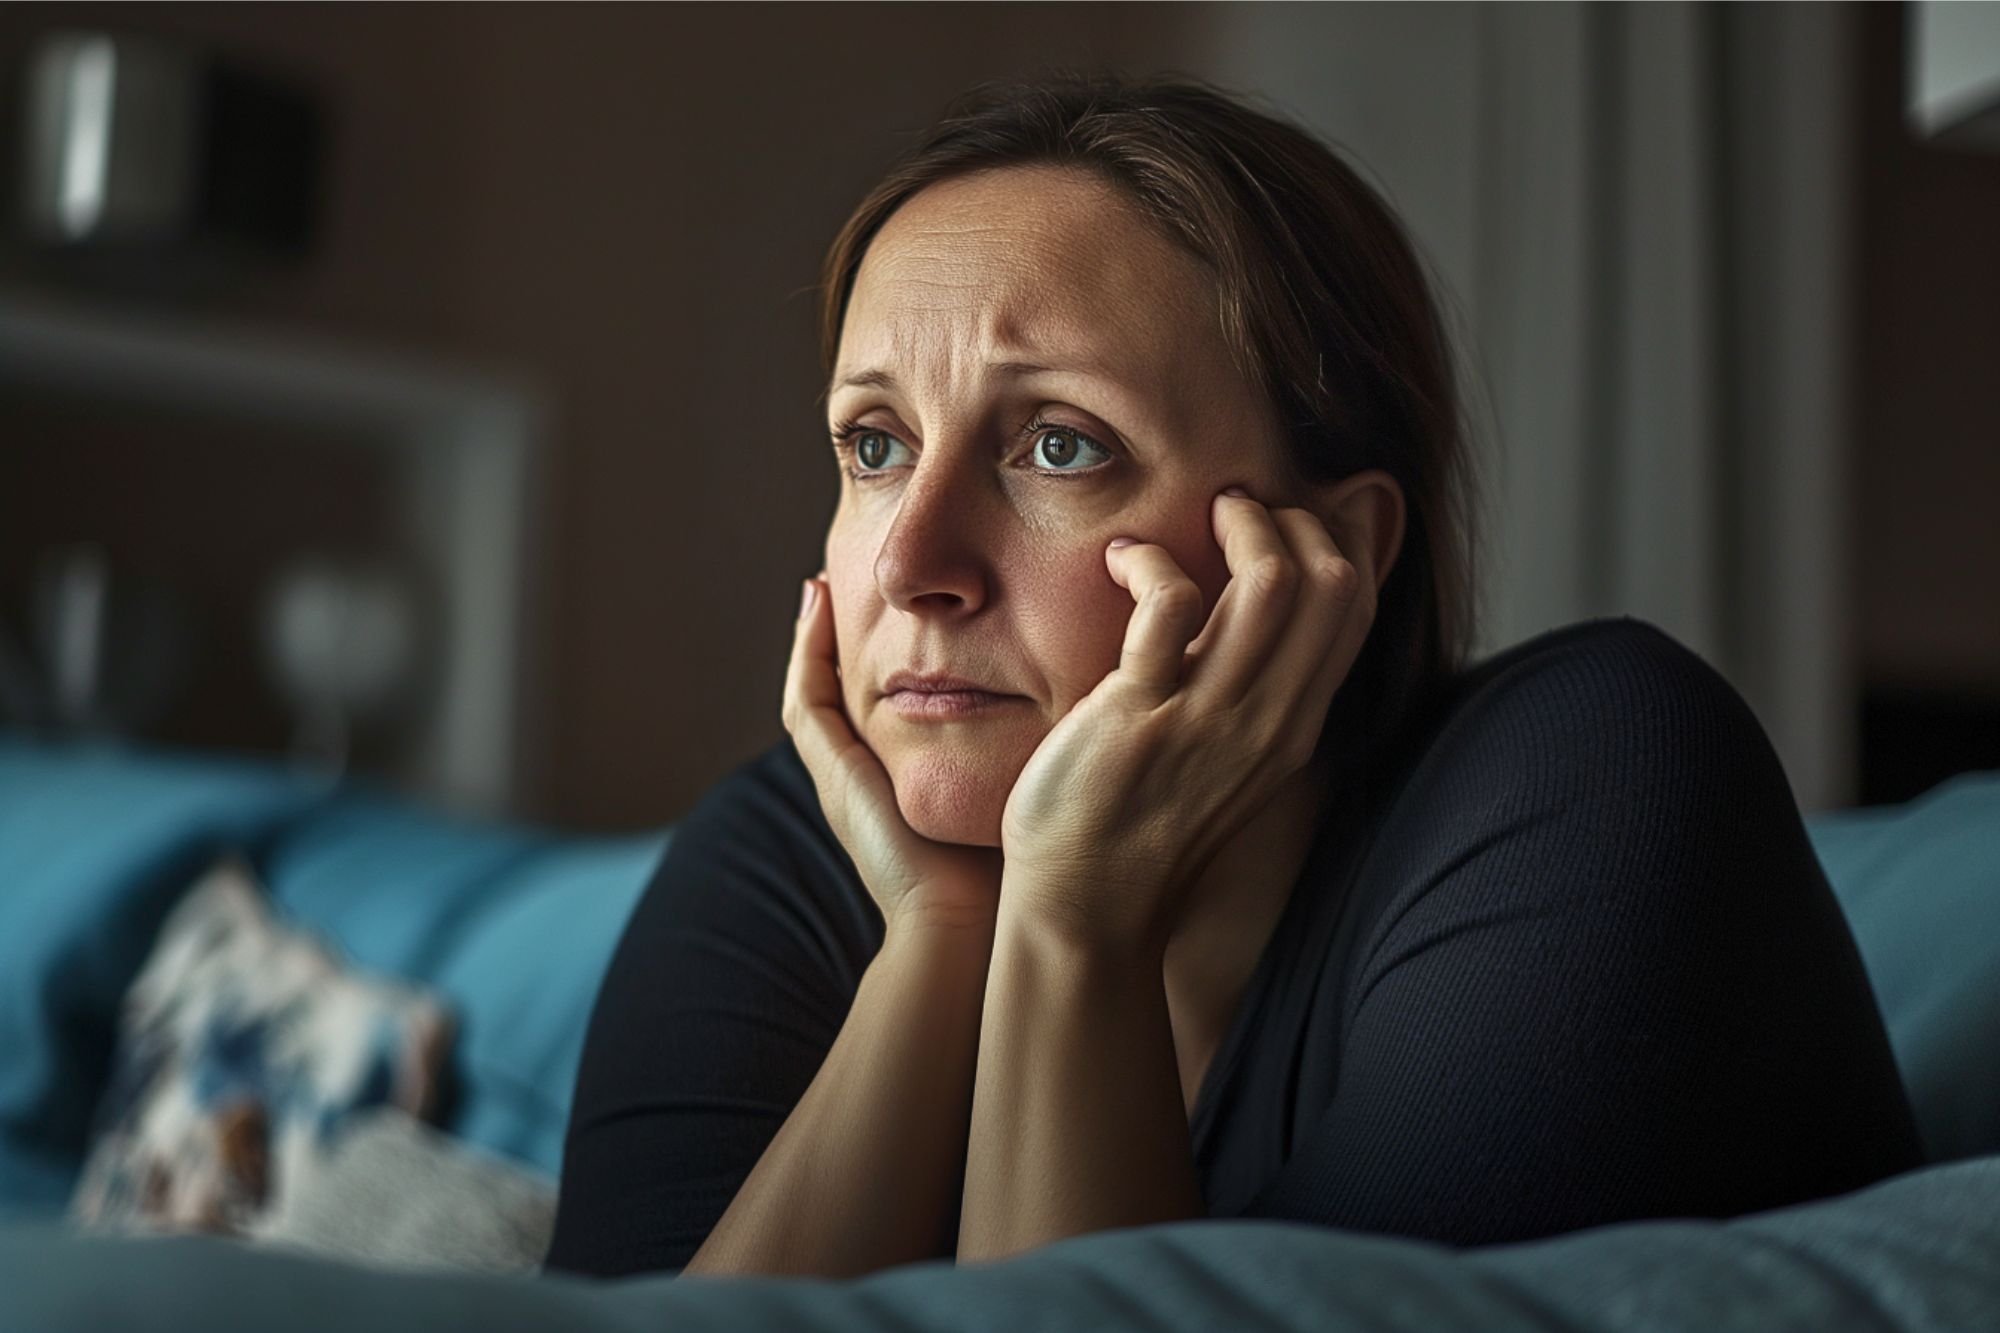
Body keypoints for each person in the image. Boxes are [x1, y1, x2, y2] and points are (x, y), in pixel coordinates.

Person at [542, 70, 1922, 1280]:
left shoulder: (1595, 778)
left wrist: (1075, 916)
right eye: (876, 444)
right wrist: (944, 935)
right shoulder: (800, 846)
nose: (911, 563)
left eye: (1060, 445)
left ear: (1327, 551)